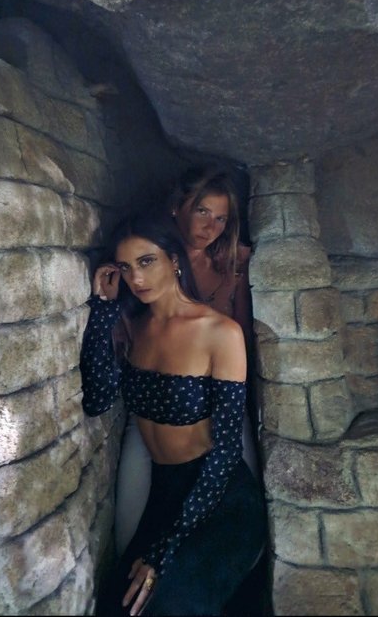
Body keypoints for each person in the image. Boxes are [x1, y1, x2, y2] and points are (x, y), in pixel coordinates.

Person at [80, 212, 266, 616]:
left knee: (169, 605)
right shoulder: (134, 325)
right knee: (117, 607)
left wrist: (163, 550)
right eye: (125, 267)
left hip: (219, 498)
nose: (136, 278)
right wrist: (103, 309)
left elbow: (226, 451)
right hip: (165, 494)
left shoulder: (220, 332)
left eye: (147, 261)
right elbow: (97, 400)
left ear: (174, 260)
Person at [115, 166, 260, 559]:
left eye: (222, 219)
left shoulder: (231, 265)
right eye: (203, 212)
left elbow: (241, 335)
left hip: (211, 400)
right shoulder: (144, 261)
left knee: (229, 490)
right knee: (128, 539)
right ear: (177, 208)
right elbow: (122, 353)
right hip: (151, 408)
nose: (211, 227)